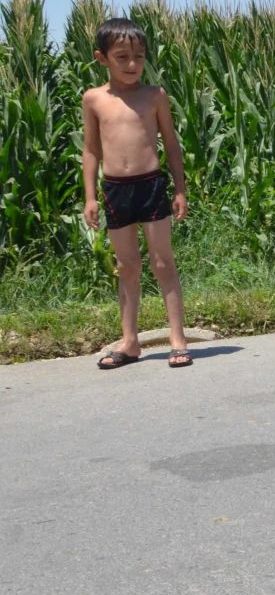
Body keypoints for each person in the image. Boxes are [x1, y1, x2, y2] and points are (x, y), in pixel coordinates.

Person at [81, 18, 193, 369]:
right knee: (126, 265)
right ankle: (130, 343)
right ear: (102, 58)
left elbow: (171, 146)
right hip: (116, 190)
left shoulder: (154, 96)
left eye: (139, 57)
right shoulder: (94, 99)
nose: (132, 65)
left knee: (163, 261)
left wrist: (179, 188)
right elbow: (91, 150)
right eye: (122, 57)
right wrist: (90, 196)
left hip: (151, 185)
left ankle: (178, 338)